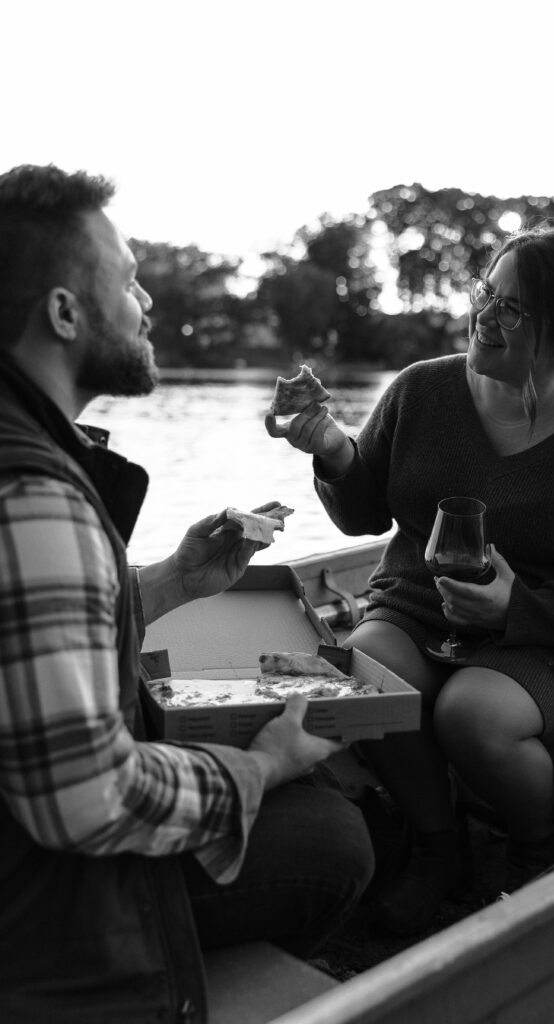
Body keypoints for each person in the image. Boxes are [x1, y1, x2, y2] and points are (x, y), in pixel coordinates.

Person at [0, 164, 375, 1024]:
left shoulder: (28, 460)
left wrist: (172, 582)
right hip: (40, 918)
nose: (147, 304)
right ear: (64, 313)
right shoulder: (35, 495)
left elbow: (29, 630)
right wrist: (258, 766)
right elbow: (86, 799)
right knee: (330, 837)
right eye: (129, 281)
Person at [265, 224, 554, 934]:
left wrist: (517, 605)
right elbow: (363, 511)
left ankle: (532, 855)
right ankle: (439, 848)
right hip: (419, 610)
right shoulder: (421, 390)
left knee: (472, 714)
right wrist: (332, 448)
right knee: (366, 684)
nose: (483, 316)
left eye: (510, 308)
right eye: (485, 292)